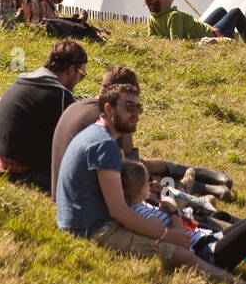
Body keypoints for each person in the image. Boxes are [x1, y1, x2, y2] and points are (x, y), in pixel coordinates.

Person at [55, 83, 246, 284]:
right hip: (92, 229)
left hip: (89, 220)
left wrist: (167, 210)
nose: (136, 113)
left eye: (139, 107)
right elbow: (118, 210)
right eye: (129, 107)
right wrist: (167, 234)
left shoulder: (100, 137)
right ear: (108, 107)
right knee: (184, 255)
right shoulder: (103, 144)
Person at [49, 64, 231, 202]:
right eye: (131, 103)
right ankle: (189, 185)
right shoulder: (110, 118)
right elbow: (132, 166)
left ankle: (193, 177)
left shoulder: (78, 106)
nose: (135, 110)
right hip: (88, 201)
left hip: (66, 193)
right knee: (150, 183)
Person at [0, 39, 87, 190]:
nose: (80, 80)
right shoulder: (60, 95)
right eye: (82, 75)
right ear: (71, 70)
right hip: (23, 173)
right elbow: (72, 142)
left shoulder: (22, 80)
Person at [144, 0, 246, 42]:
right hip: (211, 35)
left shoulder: (153, 18)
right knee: (235, 12)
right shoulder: (173, 16)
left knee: (221, 10)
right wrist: (211, 33)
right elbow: (176, 42)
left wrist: (163, 38)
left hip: (200, 28)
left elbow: (151, 38)